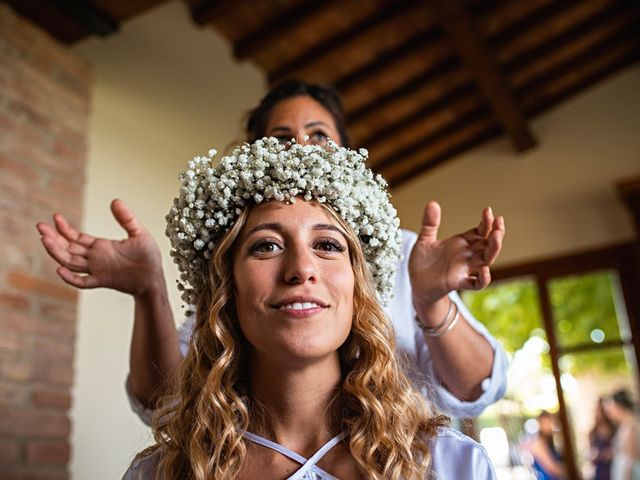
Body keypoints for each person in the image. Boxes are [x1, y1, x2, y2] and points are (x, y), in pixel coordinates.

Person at [36, 80, 508, 425]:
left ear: (346, 150)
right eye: (282, 138)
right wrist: (149, 291)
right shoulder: (240, 261)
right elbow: (168, 402)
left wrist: (431, 300)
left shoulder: (406, 253)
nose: (301, 146)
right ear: (256, 153)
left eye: (318, 134)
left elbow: (476, 390)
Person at [122, 138, 497, 478]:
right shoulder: (162, 473)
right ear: (227, 287)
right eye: (266, 245)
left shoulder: (450, 465)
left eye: (328, 246)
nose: (302, 269)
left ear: (358, 285)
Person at [604, 389, 640, 480]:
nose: (609, 414)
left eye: (611, 408)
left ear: (619, 406)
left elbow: (631, 459)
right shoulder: (624, 425)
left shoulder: (630, 426)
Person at [526, 411, 566, 480]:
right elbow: (552, 468)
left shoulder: (551, 442)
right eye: (547, 423)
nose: (550, 426)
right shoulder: (538, 444)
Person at [590, 397, 616, 480]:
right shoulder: (592, 432)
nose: (597, 412)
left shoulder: (614, 428)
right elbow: (591, 454)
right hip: (600, 471)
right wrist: (597, 455)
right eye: (596, 409)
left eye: (599, 409)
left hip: (613, 469)